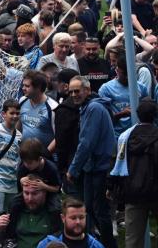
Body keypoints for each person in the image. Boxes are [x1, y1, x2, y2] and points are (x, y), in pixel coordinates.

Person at [65, 76, 117, 248]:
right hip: (92, 167)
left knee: (99, 211)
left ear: (87, 90)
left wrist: (73, 169)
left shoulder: (93, 108)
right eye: (71, 91)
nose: (73, 95)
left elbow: (86, 143)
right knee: (89, 209)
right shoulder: (88, 107)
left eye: (77, 91)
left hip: (99, 167)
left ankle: (107, 245)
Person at [107, 98, 158, 248]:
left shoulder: (125, 137)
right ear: (155, 115)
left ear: (137, 114)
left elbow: (116, 162)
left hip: (133, 193)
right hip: (156, 191)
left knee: (133, 239)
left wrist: (110, 186)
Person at [0, 175, 62, 248]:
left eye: (34, 194)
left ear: (44, 192)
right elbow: (0, 240)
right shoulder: (16, 210)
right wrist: (0, 229)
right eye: (26, 193)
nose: (30, 198)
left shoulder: (54, 212)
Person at [36, 198, 106, 248]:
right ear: (63, 218)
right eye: (73, 218)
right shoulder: (47, 244)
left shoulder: (96, 246)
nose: (78, 222)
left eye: (81, 217)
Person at [18, 70, 59, 153]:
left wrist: (46, 154)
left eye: (27, 86)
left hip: (43, 158)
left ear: (38, 88)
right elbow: (18, 126)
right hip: (24, 155)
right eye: (23, 85)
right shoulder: (22, 101)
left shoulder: (53, 107)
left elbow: (58, 137)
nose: (23, 88)